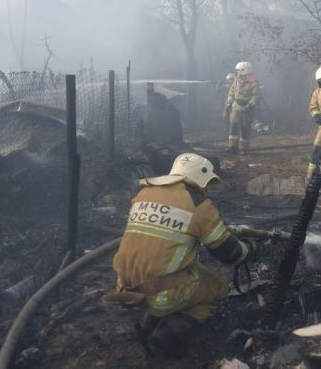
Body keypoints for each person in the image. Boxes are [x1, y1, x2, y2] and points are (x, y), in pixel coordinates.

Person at [110, 153, 256, 358]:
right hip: (161, 294)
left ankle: (150, 321)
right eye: (206, 184)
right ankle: (170, 333)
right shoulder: (198, 204)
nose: (206, 190)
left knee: (178, 269)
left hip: (125, 286)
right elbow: (229, 253)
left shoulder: (145, 193)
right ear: (198, 177)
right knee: (217, 288)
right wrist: (251, 250)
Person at [224, 61, 260, 153]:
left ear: (244, 70)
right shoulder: (236, 80)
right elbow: (231, 93)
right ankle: (232, 146)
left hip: (247, 107)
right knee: (233, 125)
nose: (238, 73)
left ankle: (243, 148)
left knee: (245, 127)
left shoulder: (254, 82)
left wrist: (249, 106)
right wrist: (228, 103)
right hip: (236, 106)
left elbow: (256, 96)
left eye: (239, 71)